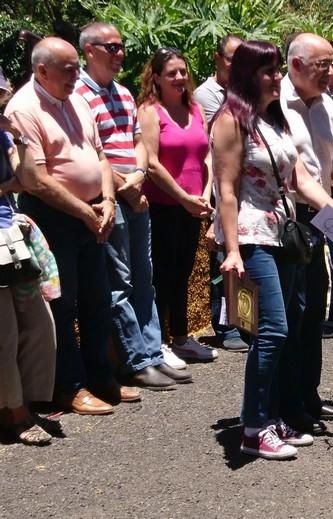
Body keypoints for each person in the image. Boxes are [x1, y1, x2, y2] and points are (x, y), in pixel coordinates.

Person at [212, 40, 333, 459]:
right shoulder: (230, 121)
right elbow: (225, 191)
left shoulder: (274, 118)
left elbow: (303, 181)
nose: (277, 78)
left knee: (290, 324)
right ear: (246, 75)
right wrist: (232, 250)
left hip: (282, 234)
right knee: (272, 329)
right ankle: (253, 427)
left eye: (278, 70)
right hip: (250, 237)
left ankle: (271, 415)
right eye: (268, 71)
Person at [6, 37, 130, 415]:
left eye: (78, 67)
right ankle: (68, 387)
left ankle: (100, 376)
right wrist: (84, 211)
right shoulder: (23, 108)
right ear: (41, 70)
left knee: (97, 299)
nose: (77, 75)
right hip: (54, 219)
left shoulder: (77, 99)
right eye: (69, 69)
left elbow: (101, 156)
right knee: (63, 303)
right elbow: (35, 179)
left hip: (93, 214)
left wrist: (107, 201)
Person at [75, 22, 191, 389]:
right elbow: (94, 150)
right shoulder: (77, 94)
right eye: (112, 47)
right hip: (110, 197)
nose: (120, 53)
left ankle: (153, 351)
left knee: (145, 277)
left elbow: (137, 141)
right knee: (120, 281)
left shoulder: (122, 94)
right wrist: (125, 188)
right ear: (89, 50)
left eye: (121, 46)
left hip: (135, 192)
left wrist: (139, 175)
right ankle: (135, 359)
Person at [280, 33, 333, 433]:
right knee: (292, 314)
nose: (332, 73)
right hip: (291, 217)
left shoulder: (327, 105)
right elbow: (294, 177)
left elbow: (324, 162)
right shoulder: (277, 104)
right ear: (295, 65)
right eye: (323, 66)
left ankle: (308, 395)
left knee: (317, 308)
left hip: (323, 211)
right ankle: (288, 402)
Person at [138, 47, 218, 362]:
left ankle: (182, 337)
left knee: (183, 271)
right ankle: (159, 343)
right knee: (162, 273)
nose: (180, 78)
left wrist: (205, 191)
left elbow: (207, 154)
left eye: (183, 71)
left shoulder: (195, 108)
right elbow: (152, 164)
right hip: (162, 205)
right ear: (156, 77)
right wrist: (184, 198)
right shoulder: (149, 111)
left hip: (193, 205)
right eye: (172, 73)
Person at [0, 97, 56, 444]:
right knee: (4, 331)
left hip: (12, 238)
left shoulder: (5, 135)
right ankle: (16, 415)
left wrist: (19, 139)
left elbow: (29, 180)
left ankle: (24, 401)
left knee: (40, 325)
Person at [193, 34, 249, 353]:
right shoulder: (207, 95)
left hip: (245, 188)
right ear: (217, 58)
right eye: (231, 59)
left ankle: (245, 321)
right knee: (223, 258)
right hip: (219, 186)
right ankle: (225, 325)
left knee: (242, 257)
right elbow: (210, 151)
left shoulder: (244, 92)